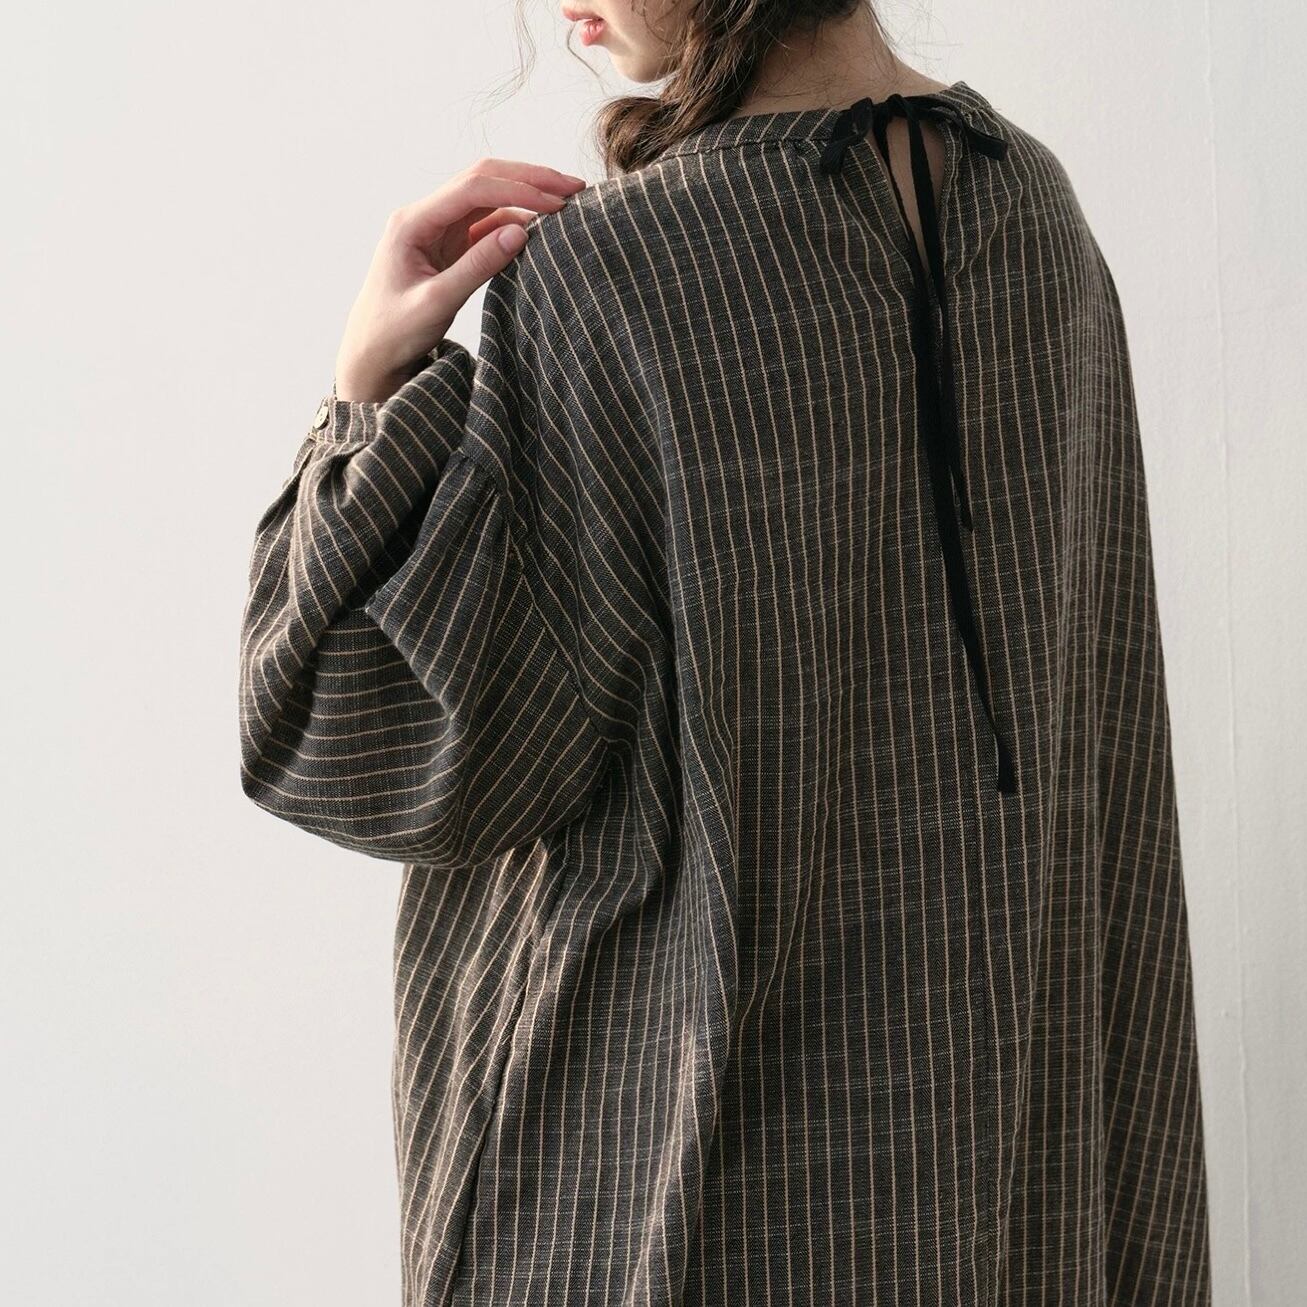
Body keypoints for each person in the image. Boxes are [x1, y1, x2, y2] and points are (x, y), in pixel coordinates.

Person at [237, 2, 1213, 1304]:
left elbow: (366, 747)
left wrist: (369, 394)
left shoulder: (611, 270)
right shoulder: (1035, 205)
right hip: (1004, 1178)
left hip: (676, 1184)